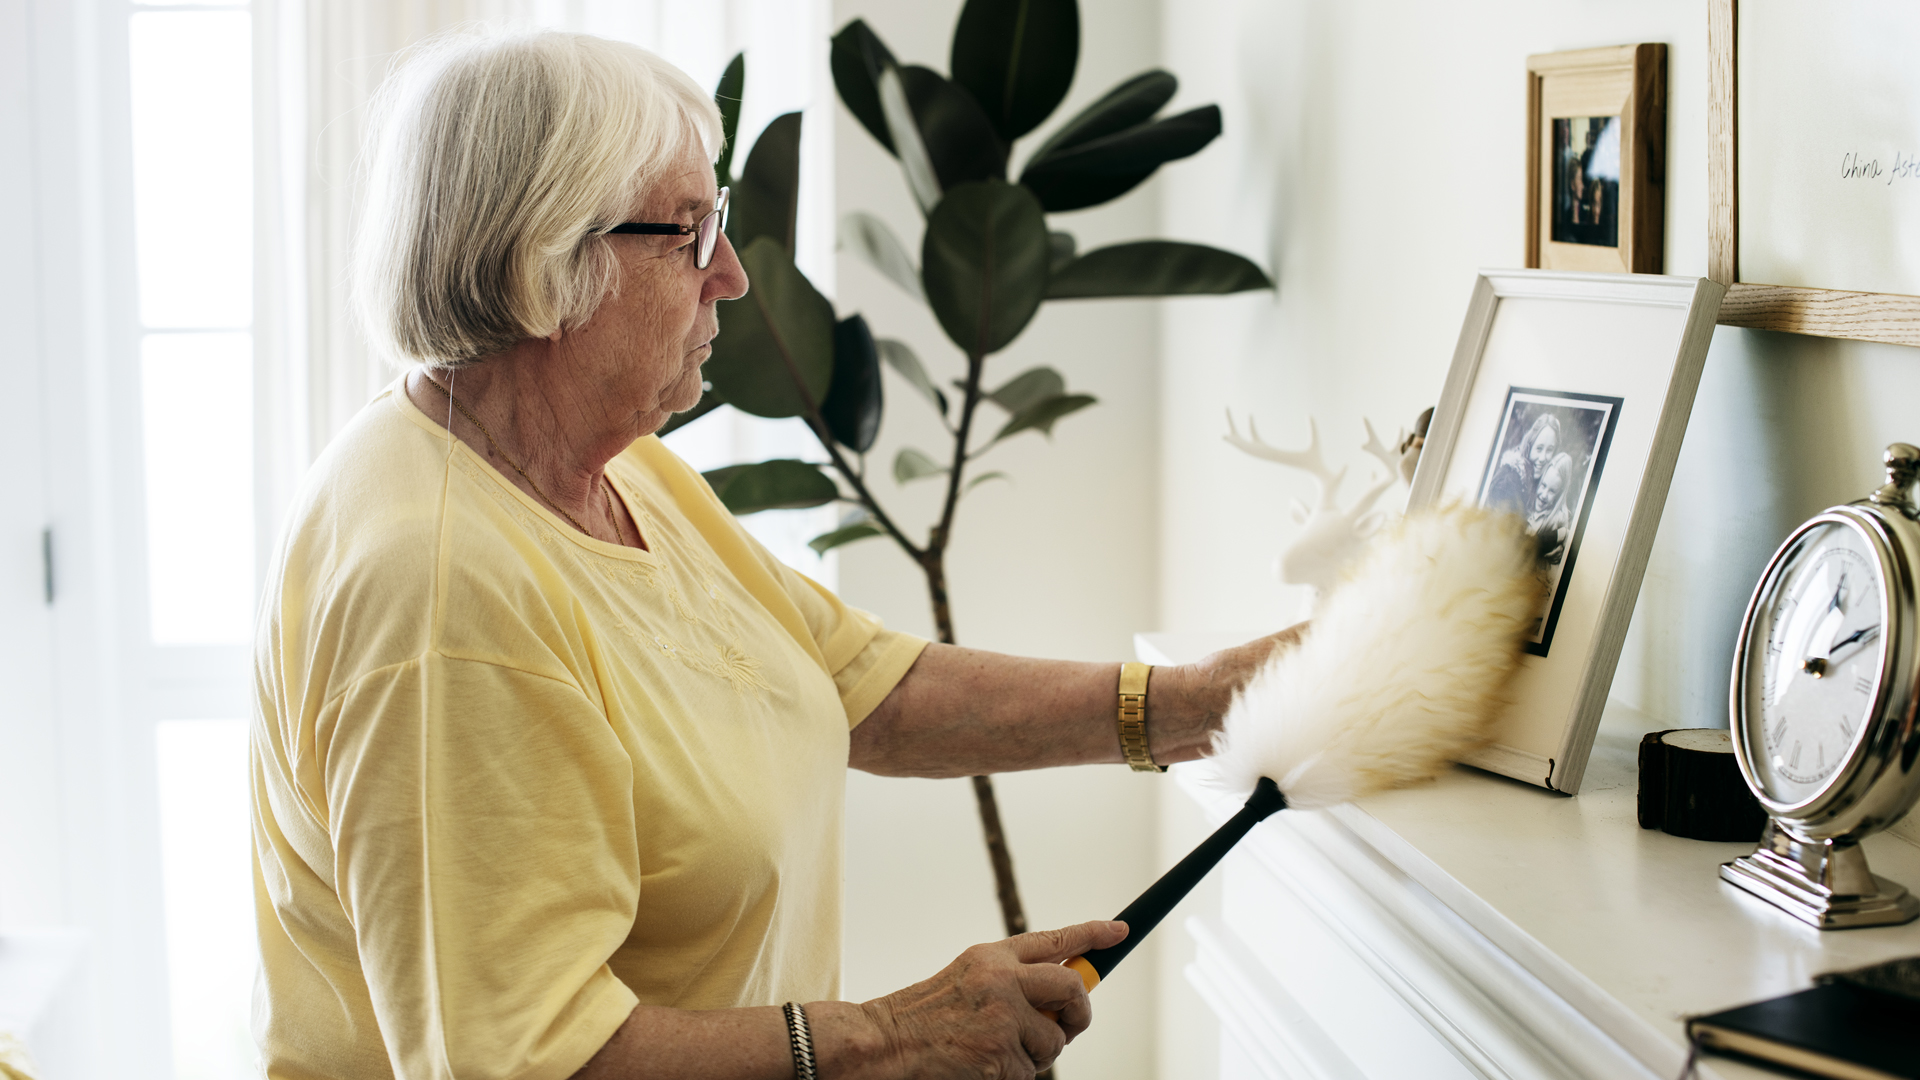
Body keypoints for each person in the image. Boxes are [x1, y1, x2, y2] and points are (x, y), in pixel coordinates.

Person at [249, 30, 1297, 1080]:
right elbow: (529, 1065)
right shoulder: (440, 598)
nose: (736, 279)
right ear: (548, 260)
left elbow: (864, 688)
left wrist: (1198, 705)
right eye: (693, 236)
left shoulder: (613, 468)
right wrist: (895, 1036)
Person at [1484, 411, 1559, 517]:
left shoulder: (1537, 484)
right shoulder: (1508, 481)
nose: (1543, 458)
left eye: (1550, 450)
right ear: (1529, 446)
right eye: (1539, 448)